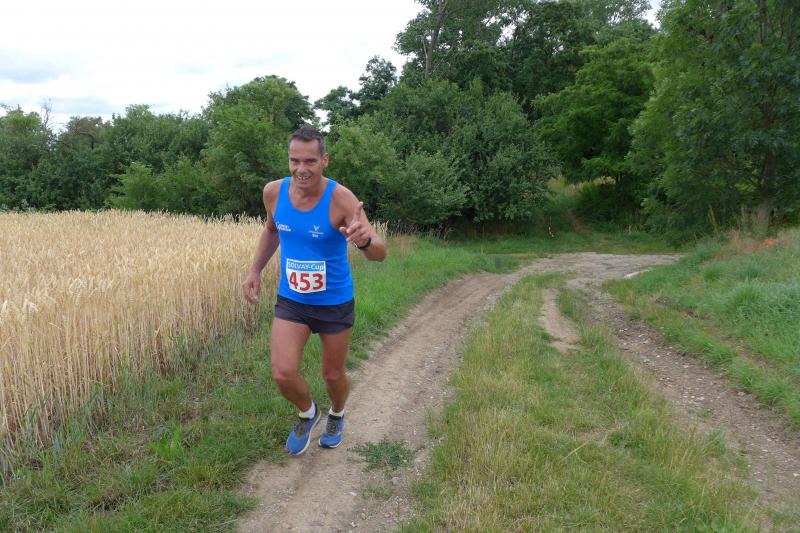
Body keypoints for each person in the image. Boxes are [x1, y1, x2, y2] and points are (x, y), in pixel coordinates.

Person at [241, 128, 387, 456]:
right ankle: (308, 413)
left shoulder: (341, 198)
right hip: (292, 300)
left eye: (310, 161)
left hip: (334, 302)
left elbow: (379, 253)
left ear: (324, 160)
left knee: (333, 375)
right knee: (282, 373)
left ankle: (337, 413)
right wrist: (254, 271)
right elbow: (271, 231)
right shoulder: (273, 192)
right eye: (295, 161)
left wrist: (365, 241)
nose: (301, 169)